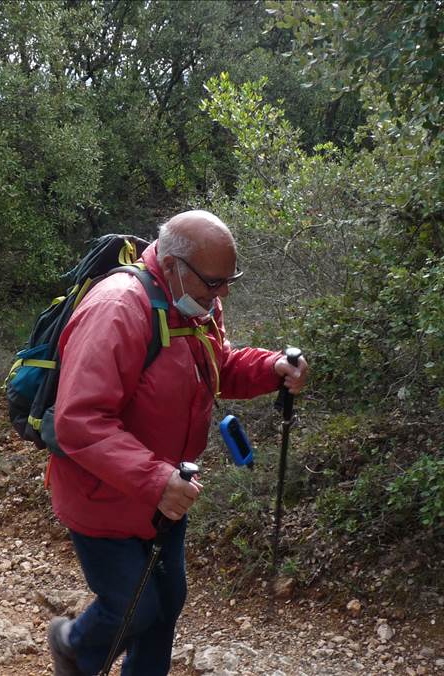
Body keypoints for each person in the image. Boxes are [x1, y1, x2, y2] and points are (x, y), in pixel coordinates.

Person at [45, 211, 309, 675]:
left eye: (230, 281)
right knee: (134, 606)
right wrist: (155, 478)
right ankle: (72, 647)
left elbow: (216, 367)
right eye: (215, 282)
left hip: (165, 494)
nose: (223, 292)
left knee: (167, 604)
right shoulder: (117, 310)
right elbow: (78, 420)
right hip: (103, 497)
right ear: (172, 265)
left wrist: (270, 369)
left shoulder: (194, 300)